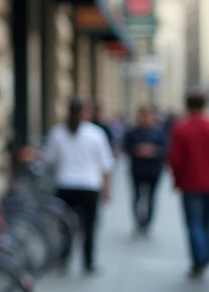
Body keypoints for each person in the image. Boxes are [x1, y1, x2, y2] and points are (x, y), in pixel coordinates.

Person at [42, 98, 115, 275]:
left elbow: (49, 159)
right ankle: (88, 262)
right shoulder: (96, 134)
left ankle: (64, 259)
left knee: (65, 226)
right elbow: (105, 165)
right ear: (85, 113)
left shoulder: (58, 133)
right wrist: (107, 189)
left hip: (65, 184)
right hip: (89, 186)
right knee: (89, 226)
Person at [166, 91, 209, 277]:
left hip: (190, 183)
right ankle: (202, 254)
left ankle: (199, 258)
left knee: (194, 223)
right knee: (205, 223)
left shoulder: (181, 128)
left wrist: (177, 180)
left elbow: (175, 159)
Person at [123, 105, 167, 235]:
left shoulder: (159, 133)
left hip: (154, 170)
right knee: (137, 196)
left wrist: (153, 151)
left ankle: (147, 223)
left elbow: (165, 149)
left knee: (151, 197)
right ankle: (138, 222)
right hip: (137, 169)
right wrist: (137, 150)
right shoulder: (133, 132)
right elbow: (126, 147)